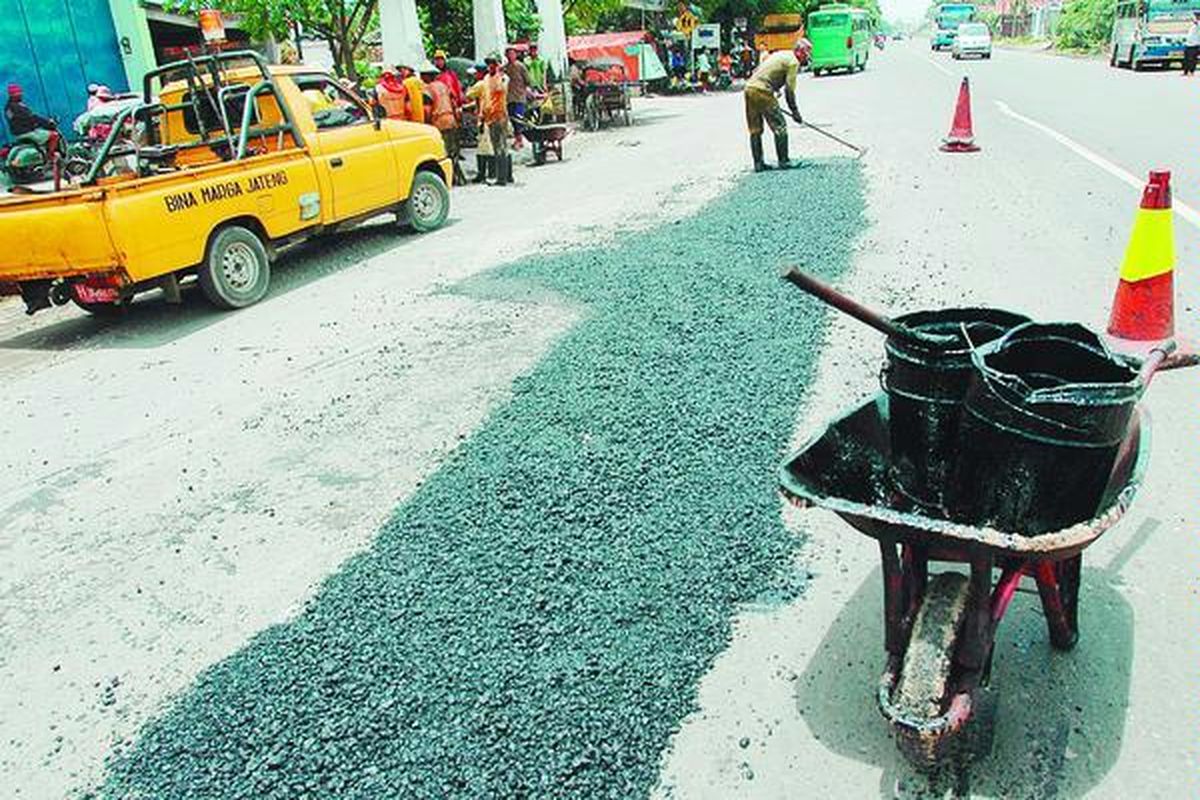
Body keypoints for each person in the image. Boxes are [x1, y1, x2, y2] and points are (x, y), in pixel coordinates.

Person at [743, 38, 810, 172]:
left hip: (749, 88)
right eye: (807, 53)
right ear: (800, 51)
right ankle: (784, 161)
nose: (808, 56)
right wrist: (795, 112)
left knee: (755, 129)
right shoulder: (793, 62)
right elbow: (789, 90)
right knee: (780, 126)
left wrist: (775, 89)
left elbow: (765, 71)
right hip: (763, 90)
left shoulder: (782, 54)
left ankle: (758, 164)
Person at [465, 54, 511, 185]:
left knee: (500, 147)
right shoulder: (485, 79)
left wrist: (499, 74)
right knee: (497, 147)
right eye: (489, 64)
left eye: (494, 63)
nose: (491, 66)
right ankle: (504, 176)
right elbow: (485, 98)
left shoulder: (503, 78)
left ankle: (502, 178)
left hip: (500, 116)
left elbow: (500, 89)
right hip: (489, 117)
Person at [422, 63, 465, 185]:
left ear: (426, 76)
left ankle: (450, 180)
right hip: (451, 120)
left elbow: (427, 110)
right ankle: (460, 180)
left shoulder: (427, 90)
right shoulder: (443, 86)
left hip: (439, 123)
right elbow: (454, 102)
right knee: (453, 153)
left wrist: (426, 125)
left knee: (444, 154)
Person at [503, 46, 531, 149]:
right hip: (509, 98)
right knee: (513, 119)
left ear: (516, 55)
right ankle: (518, 139)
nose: (510, 56)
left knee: (519, 118)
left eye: (512, 54)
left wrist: (527, 90)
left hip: (519, 97)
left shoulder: (521, 67)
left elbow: (528, 80)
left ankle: (519, 140)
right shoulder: (505, 68)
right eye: (508, 54)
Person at [1185, 12, 1200, 76]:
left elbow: (1196, 22)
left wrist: (1193, 19)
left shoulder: (1198, 24)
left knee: (1192, 59)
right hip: (1188, 43)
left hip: (1194, 44)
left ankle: (1191, 71)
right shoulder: (1193, 25)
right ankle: (1186, 71)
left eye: (1197, 16)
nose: (1196, 17)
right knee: (1187, 59)